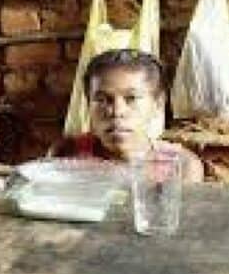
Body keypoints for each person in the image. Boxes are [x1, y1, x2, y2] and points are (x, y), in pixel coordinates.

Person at [49, 48, 204, 183]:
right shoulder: (67, 154)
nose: (117, 112)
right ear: (88, 103)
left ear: (158, 103)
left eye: (131, 98)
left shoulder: (181, 165)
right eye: (102, 100)